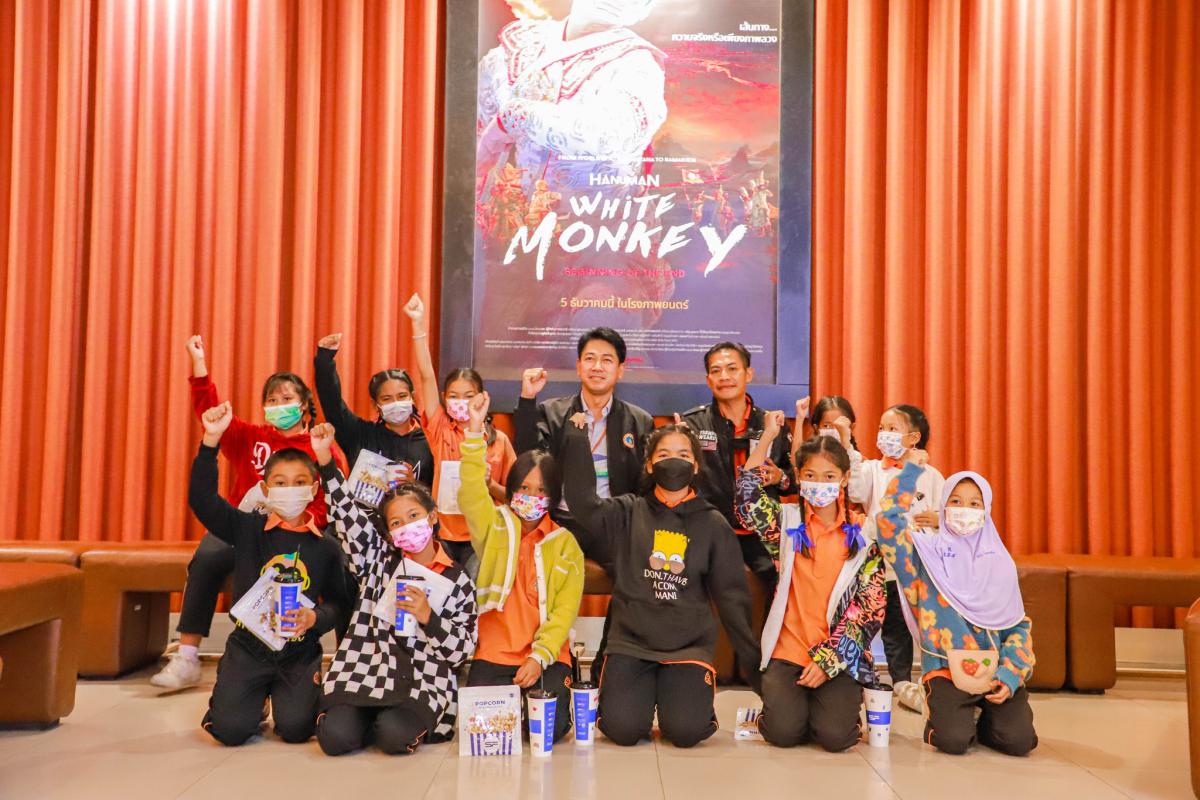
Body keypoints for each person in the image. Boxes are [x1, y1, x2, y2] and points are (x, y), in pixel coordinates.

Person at [152, 335, 346, 691]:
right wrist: (199, 365)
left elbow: (333, 499)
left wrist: (296, 520)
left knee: (331, 564)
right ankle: (188, 656)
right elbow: (210, 413)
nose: (278, 406)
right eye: (271, 401)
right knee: (207, 555)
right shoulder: (250, 437)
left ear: (304, 405)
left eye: (286, 399)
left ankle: (335, 660)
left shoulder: (320, 444)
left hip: (297, 531)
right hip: (245, 529)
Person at [561, 421, 761, 748]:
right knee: (623, 730)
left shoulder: (712, 524)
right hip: (631, 645)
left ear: (695, 465)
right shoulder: (628, 512)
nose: (674, 461)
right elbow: (583, 503)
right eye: (664, 454)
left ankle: (680, 698)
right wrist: (577, 439)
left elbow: (733, 601)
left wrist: (758, 674)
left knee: (686, 732)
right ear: (650, 464)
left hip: (687, 648)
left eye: (683, 454)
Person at [188, 403, 352, 746]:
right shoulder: (246, 528)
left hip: (299, 651)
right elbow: (202, 500)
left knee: (297, 729)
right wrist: (211, 441)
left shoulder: (326, 547)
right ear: (265, 489)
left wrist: (315, 618)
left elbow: (339, 605)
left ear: (314, 489)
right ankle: (250, 700)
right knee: (230, 731)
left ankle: (278, 696)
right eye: (280, 482)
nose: (290, 489)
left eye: (299, 483)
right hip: (249, 647)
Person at [311, 423, 477, 756]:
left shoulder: (457, 579)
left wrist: (429, 618)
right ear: (388, 533)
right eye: (397, 523)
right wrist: (326, 460)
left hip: (422, 679)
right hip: (366, 669)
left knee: (393, 737)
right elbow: (347, 515)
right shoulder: (376, 559)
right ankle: (364, 718)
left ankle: (385, 721)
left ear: (432, 517)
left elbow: (461, 651)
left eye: (414, 515)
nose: (407, 526)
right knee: (334, 739)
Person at [736, 419, 886, 750]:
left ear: (844, 478)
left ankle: (835, 709)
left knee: (836, 737)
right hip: (787, 651)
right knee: (783, 733)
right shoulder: (786, 522)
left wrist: (829, 660)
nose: (820, 484)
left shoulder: (863, 534)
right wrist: (768, 436)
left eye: (829, 476)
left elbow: (871, 608)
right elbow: (746, 497)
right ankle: (785, 709)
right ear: (799, 477)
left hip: (838, 653)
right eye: (811, 475)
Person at [878, 465, 1038, 756]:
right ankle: (947, 714)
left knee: (1019, 742)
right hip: (945, 671)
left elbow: (1017, 627)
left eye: (975, 503)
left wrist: (1010, 674)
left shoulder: (1000, 563)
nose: (965, 510)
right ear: (942, 506)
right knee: (953, 741)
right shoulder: (924, 556)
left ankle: (983, 719)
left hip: (994, 670)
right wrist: (911, 472)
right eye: (955, 501)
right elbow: (887, 524)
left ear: (986, 510)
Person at [459, 392, 584, 744]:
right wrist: (474, 431)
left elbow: (563, 614)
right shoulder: (494, 526)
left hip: (545, 656)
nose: (531, 496)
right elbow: (471, 492)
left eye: (541, 490)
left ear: (553, 496)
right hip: (494, 653)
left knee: (548, 730)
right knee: (487, 730)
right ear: (512, 489)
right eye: (524, 487)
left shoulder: (566, 545)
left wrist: (538, 658)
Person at [514, 327, 654, 572]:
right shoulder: (553, 413)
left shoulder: (639, 421)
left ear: (620, 370)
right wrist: (527, 399)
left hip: (613, 522)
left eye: (607, 360)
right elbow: (528, 457)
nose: (597, 367)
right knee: (543, 573)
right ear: (579, 366)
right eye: (590, 359)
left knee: (636, 573)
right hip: (562, 519)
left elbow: (645, 483)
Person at [405, 294, 516, 576]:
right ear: (444, 397)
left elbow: (515, 496)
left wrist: (490, 485)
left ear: (482, 397)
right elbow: (426, 376)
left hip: (483, 535)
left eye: (468, 395)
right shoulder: (440, 428)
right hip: (443, 533)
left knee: (476, 597)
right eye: (454, 395)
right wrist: (418, 324)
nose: (461, 402)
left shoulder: (499, 441)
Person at [847, 403, 944, 713]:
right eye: (881, 428)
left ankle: (932, 681)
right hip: (881, 561)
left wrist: (937, 518)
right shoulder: (873, 470)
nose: (884, 434)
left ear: (913, 437)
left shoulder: (931, 475)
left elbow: (945, 511)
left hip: (919, 562)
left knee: (921, 621)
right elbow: (854, 493)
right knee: (890, 624)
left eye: (892, 429)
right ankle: (897, 680)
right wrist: (847, 443)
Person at [680, 342, 792, 597]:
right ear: (708, 379)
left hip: (761, 535)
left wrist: (780, 477)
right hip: (711, 530)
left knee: (781, 585)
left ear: (748, 374)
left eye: (732, 369)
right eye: (716, 371)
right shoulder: (693, 424)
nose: (724, 376)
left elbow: (794, 480)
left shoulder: (772, 424)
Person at [313, 332, 434, 484]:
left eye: (402, 396)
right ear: (376, 405)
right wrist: (325, 359)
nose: (395, 403)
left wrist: (414, 485)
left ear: (412, 398)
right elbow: (332, 402)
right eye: (386, 399)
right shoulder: (359, 434)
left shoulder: (431, 439)